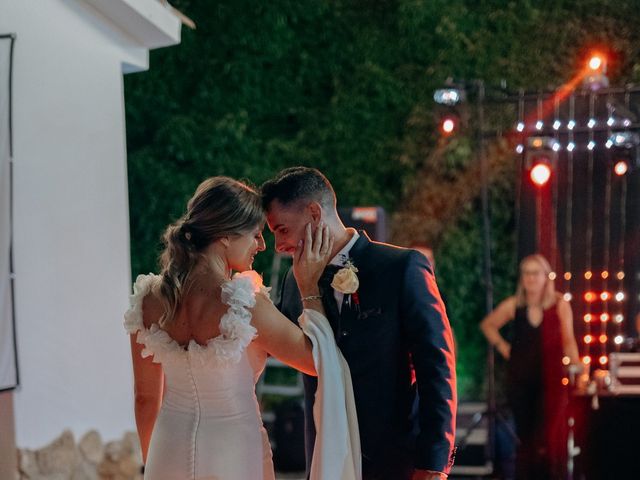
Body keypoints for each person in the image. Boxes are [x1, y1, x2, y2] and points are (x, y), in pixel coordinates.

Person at [124, 176, 360, 480]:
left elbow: (145, 399)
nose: (261, 246)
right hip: (232, 452)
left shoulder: (148, 300)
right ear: (225, 235)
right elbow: (316, 361)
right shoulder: (244, 304)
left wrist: (152, 463)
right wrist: (309, 287)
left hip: (167, 448)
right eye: (255, 234)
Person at [261, 167, 457, 480]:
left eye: (282, 230)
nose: (278, 246)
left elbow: (436, 367)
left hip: (395, 459)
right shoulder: (293, 281)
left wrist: (434, 463)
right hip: (326, 458)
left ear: (314, 213)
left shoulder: (400, 268)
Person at [480, 253, 582, 480]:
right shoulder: (514, 305)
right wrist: (504, 348)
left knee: (547, 437)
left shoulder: (559, 304)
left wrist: (578, 368)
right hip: (520, 380)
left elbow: (568, 340)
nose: (530, 278)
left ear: (546, 277)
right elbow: (488, 325)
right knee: (524, 437)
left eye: (535, 273)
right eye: (526, 273)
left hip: (551, 380)